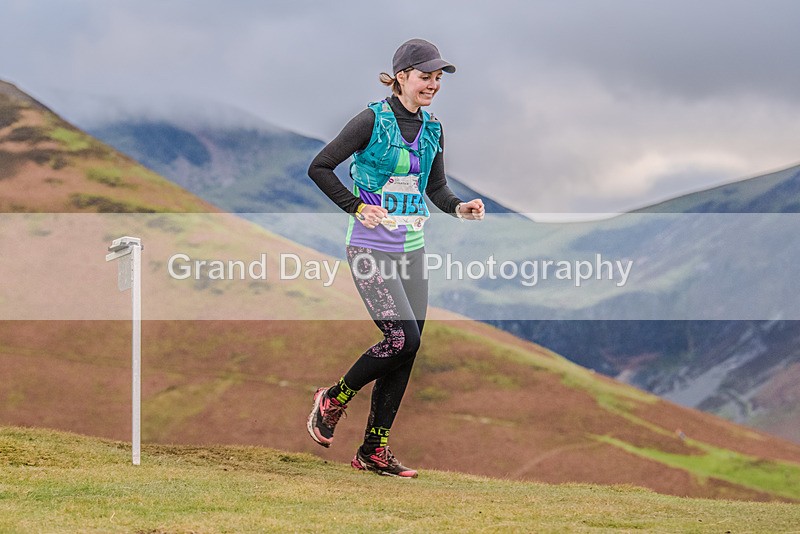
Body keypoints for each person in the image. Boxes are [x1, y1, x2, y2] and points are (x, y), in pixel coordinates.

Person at [306, 38, 485, 478]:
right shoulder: (371, 119)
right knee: (402, 338)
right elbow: (320, 166)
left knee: (407, 350)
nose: (434, 85)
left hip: (411, 250)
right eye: (426, 77)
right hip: (369, 248)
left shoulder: (434, 129)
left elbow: (436, 189)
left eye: (439, 78)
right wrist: (357, 206)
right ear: (402, 76)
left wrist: (460, 207)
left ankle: (373, 450)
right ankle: (333, 397)